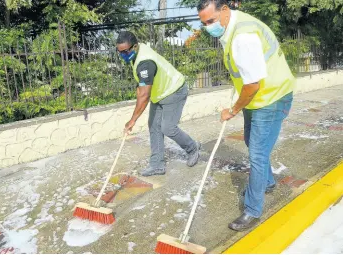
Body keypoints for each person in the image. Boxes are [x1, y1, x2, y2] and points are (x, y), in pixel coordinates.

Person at [197, 0, 295, 231]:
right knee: (252, 143)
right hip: (259, 97)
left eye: (211, 20)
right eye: (204, 23)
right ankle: (267, 183)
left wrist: (232, 110)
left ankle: (252, 210)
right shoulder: (233, 25)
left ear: (224, 10)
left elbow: (252, 84)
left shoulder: (243, 36)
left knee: (258, 155)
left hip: (270, 97)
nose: (208, 27)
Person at [116, 31, 201, 177]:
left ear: (135, 46)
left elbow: (144, 95)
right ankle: (157, 165)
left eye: (125, 51)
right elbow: (141, 88)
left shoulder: (145, 62)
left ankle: (193, 148)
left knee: (168, 128)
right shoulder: (136, 53)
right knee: (154, 126)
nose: (123, 54)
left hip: (174, 90)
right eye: (120, 52)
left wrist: (132, 120)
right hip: (160, 94)